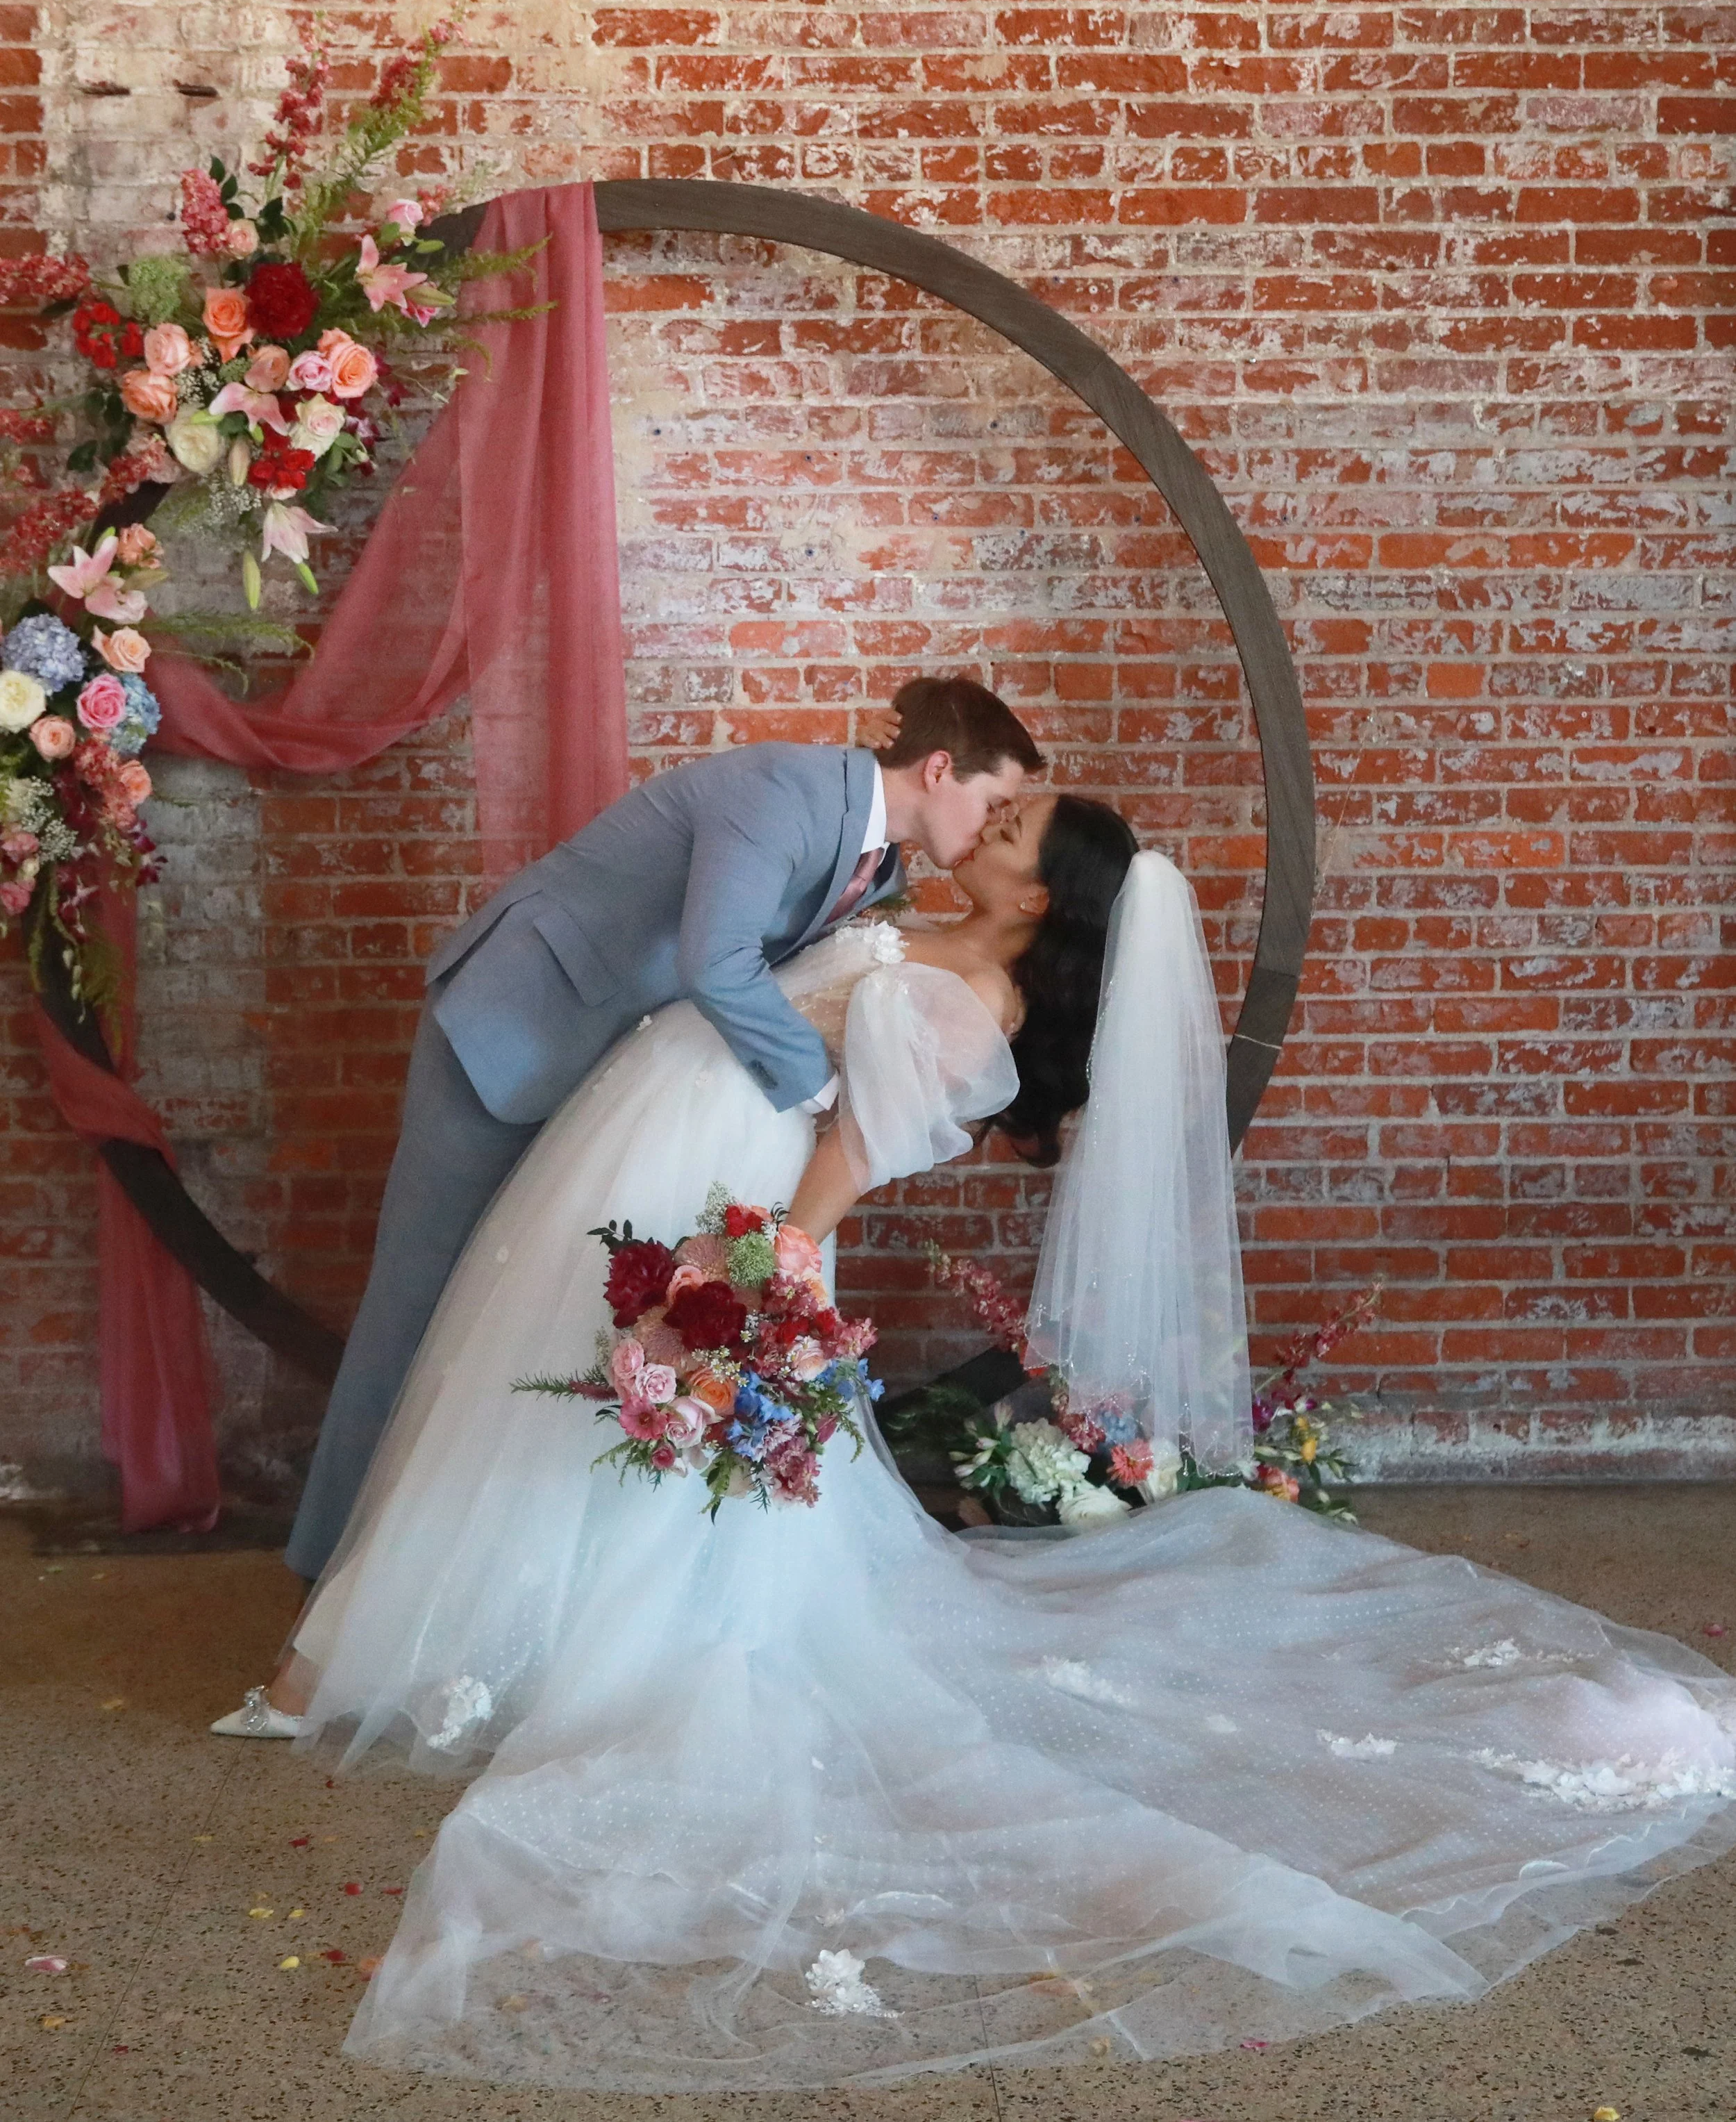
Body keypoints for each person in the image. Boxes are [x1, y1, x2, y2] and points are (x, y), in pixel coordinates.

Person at [211, 781, 1736, 2093]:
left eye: (1007, 830)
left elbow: (842, 1165)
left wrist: (740, 1286)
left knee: (605, 1418)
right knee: (517, 1388)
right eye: (994, 808)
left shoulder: (972, 1006)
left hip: (723, 1192)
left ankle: (398, 1655)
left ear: (1040, 896)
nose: (984, 826)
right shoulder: (918, 923)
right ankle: (402, 1640)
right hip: (653, 1130)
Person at [268, 674, 1044, 1594]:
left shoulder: (883, 861)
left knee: (509, 1314)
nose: (996, 825)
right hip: (519, 1027)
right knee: (417, 1308)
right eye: (996, 801)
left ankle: (453, 1574)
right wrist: (821, 1086)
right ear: (942, 768)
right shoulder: (785, 791)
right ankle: (329, 1575)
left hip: (615, 1076)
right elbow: (715, 959)